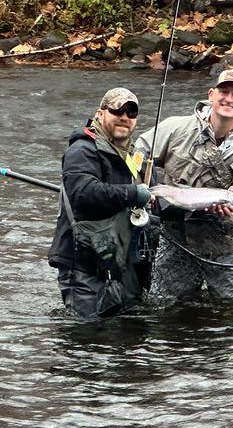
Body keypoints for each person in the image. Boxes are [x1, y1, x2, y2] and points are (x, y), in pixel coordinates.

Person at [135, 69, 233, 307]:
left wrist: (231, 213)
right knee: (167, 307)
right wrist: (140, 188)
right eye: (224, 91)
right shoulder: (175, 128)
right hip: (177, 238)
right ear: (211, 94)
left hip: (229, 246)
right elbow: (137, 153)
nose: (229, 99)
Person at [48, 87, 155, 318]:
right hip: (84, 262)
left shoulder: (136, 157)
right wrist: (134, 194)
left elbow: (155, 199)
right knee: (88, 336)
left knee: (129, 336)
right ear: (100, 114)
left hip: (125, 262)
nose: (124, 117)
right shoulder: (82, 150)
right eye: (117, 110)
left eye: (131, 113)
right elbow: (84, 193)